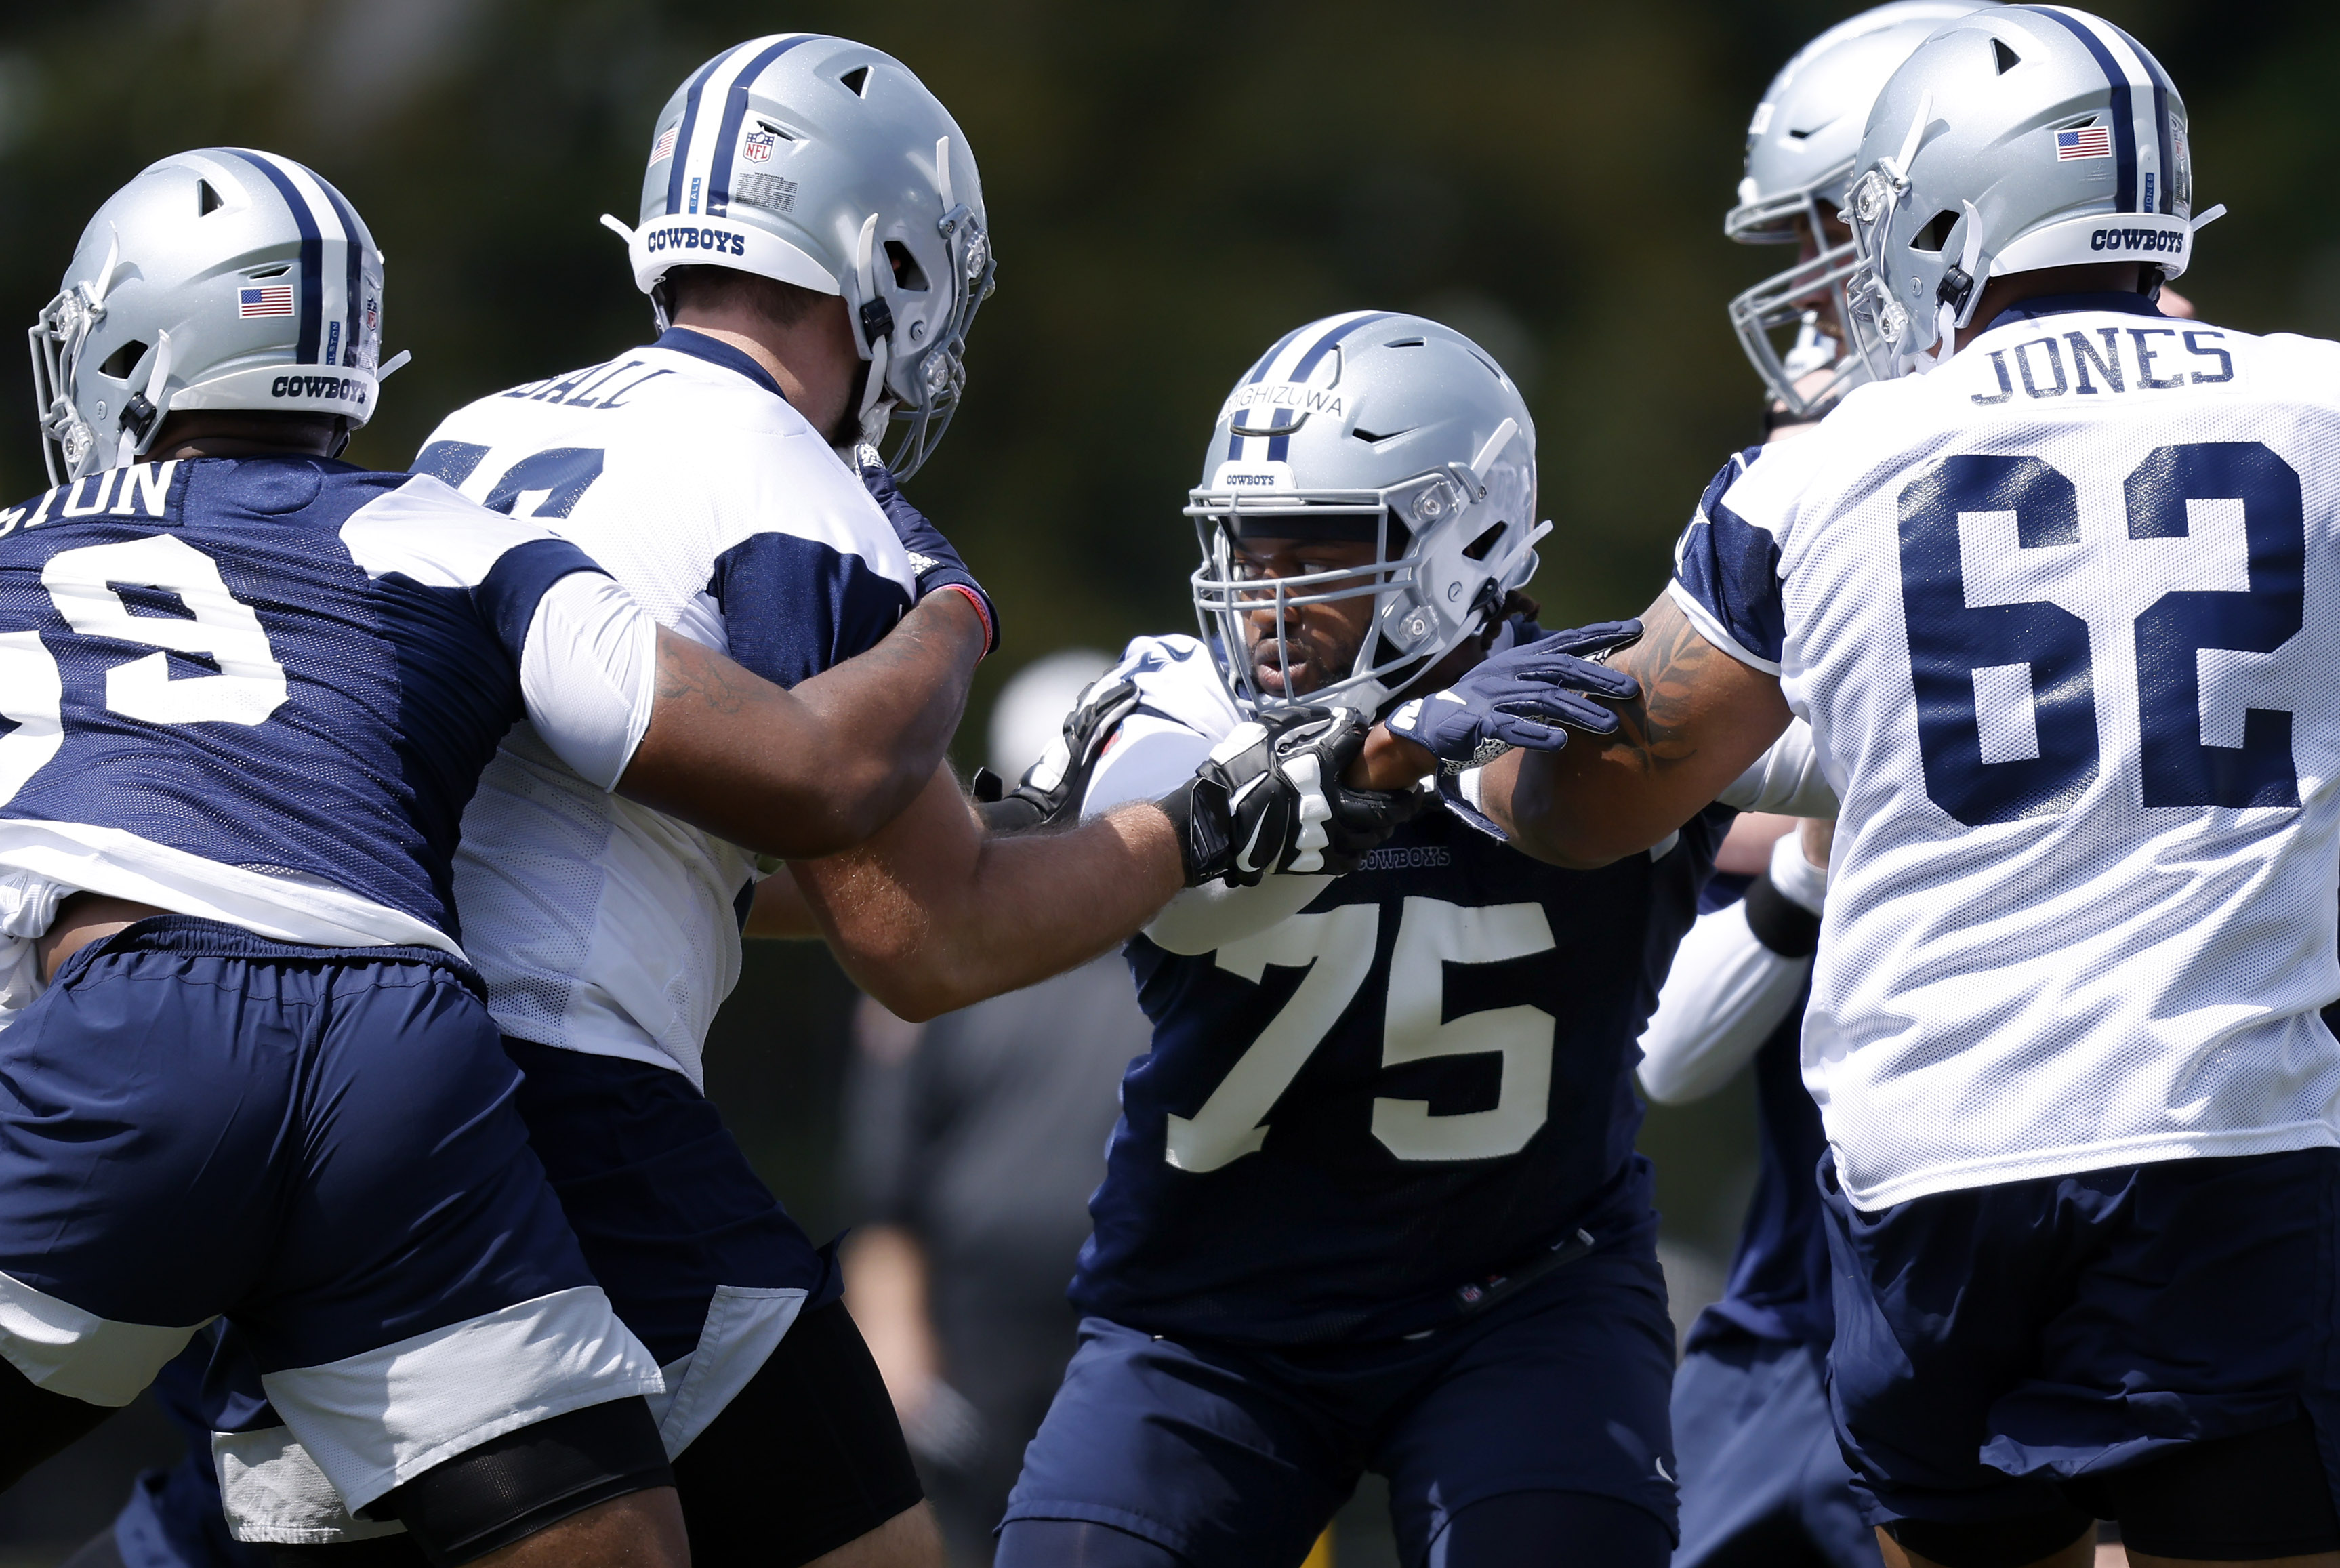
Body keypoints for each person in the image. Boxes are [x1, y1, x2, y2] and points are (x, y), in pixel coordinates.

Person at [192, 35, 1424, 1568]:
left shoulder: (475, 434)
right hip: (572, 1111)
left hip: (341, 1079)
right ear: (884, 257)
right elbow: (922, 944)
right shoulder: (805, 500)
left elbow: (625, 839)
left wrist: (1016, 836)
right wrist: (1192, 829)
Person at [1361, 9, 2340, 1564]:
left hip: (1936, 1158)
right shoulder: (2313, 405)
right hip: (2220, 1127)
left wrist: (1464, 773)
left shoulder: (1823, 464)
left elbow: (1597, 803)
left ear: (1956, 207)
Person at [0, 144, 1004, 1568]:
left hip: (135, 1041)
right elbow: (810, 769)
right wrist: (949, 611)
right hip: (404, 1064)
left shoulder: (13, 549)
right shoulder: (446, 529)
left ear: (127, 345)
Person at [984, 310, 1832, 1568]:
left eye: (1316, 548)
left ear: (1466, 539)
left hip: (1524, 1300)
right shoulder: (1167, 708)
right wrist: (1403, 749)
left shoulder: (1605, 726)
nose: (1264, 595)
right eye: (1243, 543)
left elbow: (1901, 739)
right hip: (1207, 1320)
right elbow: (1176, 877)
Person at [837, 653, 1156, 1568]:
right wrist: (894, 1344)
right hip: (979, 1337)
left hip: (1151, 1315)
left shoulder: (1205, 939)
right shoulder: (946, 965)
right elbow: (884, 1191)